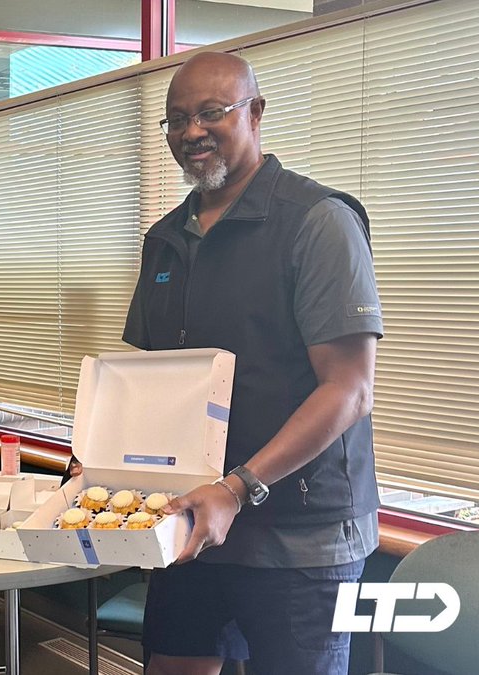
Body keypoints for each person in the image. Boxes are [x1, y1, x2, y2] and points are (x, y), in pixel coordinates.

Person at [123, 52, 383, 675]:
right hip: (193, 524)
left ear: (256, 113)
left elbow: (348, 390)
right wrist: (106, 454)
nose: (192, 133)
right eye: (176, 120)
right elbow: (151, 383)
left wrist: (237, 488)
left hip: (301, 537)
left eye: (212, 113)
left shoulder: (318, 223)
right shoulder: (165, 237)